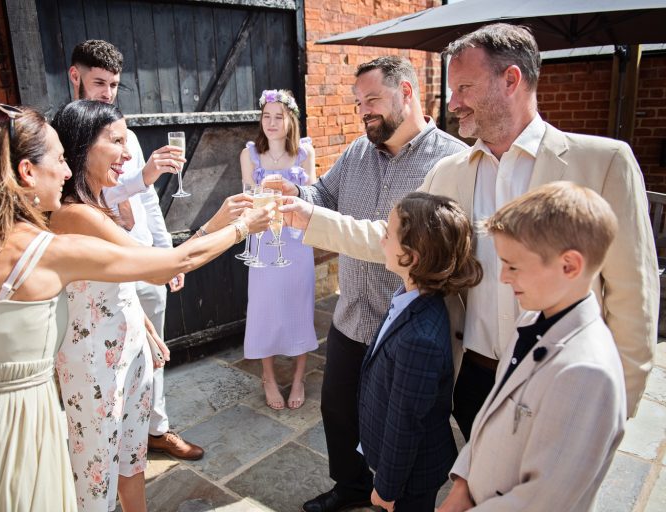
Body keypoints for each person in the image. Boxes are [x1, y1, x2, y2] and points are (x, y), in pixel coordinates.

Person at [281, 23, 658, 440]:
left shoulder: (603, 163)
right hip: (471, 379)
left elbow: (634, 296)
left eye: (464, 88)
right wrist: (306, 217)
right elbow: (391, 241)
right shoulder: (449, 173)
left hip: (564, 379)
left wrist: (618, 403)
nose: (452, 103)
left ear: (511, 80)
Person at [0, 104, 272, 512]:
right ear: (27, 172)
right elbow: (168, 265)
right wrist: (240, 227)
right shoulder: (52, 247)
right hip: (38, 428)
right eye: (59, 161)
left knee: (126, 461)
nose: (64, 173)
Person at [287, 56, 467, 512]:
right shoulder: (357, 151)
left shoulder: (449, 160)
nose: (362, 110)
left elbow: (403, 242)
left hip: (404, 328)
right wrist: (295, 194)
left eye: (372, 100)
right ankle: (349, 488)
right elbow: (323, 196)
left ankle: (393, 495)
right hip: (351, 315)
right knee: (339, 412)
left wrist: (314, 218)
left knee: (399, 427)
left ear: (407, 92)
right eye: (358, 102)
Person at [439, 182, 626, 512]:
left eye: (512, 266)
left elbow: (543, 500)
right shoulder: (529, 320)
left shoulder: (586, 372)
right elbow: (490, 412)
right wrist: (463, 483)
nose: (504, 278)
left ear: (569, 265)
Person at [69, 39, 203, 460]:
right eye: (99, 82)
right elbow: (85, 203)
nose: (107, 92)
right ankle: (114, 443)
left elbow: (146, 206)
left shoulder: (123, 133)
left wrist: (166, 253)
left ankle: (156, 430)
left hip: (148, 263)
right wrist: (142, 177)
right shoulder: (67, 135)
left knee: (156, 356)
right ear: (75, 76)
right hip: (107, 274)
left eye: (113, 85)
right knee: (111, 367)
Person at [361, 193, 482, 512]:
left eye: (388, 233)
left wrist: (386, 489)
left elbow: (406, 422)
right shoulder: (411, 297)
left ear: (410, 257)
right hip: (401, 467)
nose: (381, 237)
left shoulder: (420, 339)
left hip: (410, 477)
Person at [240, 89, 317, 410]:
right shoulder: (249, 156)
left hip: (297, 242)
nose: (271, 123)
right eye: (266, 116)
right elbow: (247, 199)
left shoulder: (304, 154)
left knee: (300, 304)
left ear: (290, 121)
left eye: (278, 116)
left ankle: (299, 376)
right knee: (264, 307)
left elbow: (313, 197)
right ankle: (268, 376)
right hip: (264, 243)